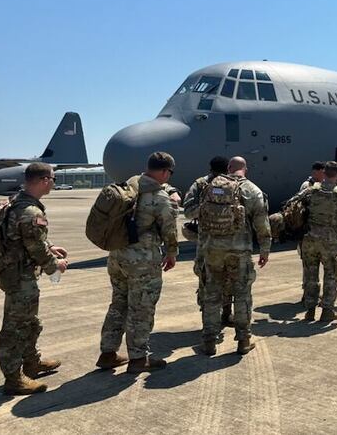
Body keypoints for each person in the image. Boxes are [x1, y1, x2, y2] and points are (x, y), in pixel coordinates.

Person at [96, 152, 179, 373]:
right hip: (142, 262)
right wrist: (171, 253)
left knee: (118, 304)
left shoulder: (130, 185)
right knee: (141, 309)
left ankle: (107, 353)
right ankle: (138, 359)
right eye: (169, 173)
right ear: (164, 172)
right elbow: (169, 229)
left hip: (117, 256)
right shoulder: (159, 198)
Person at [0, 163, 68, 395]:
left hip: (18, 273)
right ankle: (13, 378)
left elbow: (27, 240)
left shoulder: (19, 202)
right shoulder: (30, 211)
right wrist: (55, 266)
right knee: (15, 327)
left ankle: (31, 363)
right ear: (44, 180)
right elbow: (35, 247)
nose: (54, 183)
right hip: (20, 277)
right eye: (53, 179)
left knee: (29, 322)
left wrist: (50, 246)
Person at [187, 156, 271, 355]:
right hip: (239, 252)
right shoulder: (252, 190)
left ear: (228, 168)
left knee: (211, 294)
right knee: (242, 294)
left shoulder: (211, 186)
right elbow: (262, 223)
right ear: (245, 170)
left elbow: (192, 212)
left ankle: (209, 341)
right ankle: (243, 340)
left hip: (212, 250)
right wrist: (265, 249)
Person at [296, 161, 337, 321]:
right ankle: (327, 311)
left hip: (309, 238)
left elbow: (294, 206)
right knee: (331, 275)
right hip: (329, 241)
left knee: (310, 276)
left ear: (324, 173)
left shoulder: (310, 190)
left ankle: (310, 311)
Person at [182, 156, 233, 327]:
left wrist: (203, 208)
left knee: (207, 281)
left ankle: (212, 321)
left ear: (209, 168)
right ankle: (225, 316)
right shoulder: (235, 185)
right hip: (228, 242)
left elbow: (188, 212)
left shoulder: (198, 185)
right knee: (228, 279)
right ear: (228, 168)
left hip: (206, 244)